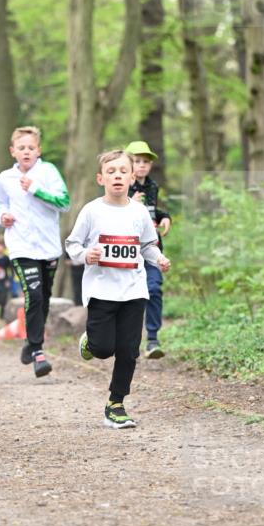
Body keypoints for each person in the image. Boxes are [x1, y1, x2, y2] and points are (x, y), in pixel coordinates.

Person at [66, 149, 170, 429]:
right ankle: (90, 341)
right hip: (101, 291)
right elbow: (72, 244)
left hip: (134, 291)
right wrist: (86, 254)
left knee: (129, 350)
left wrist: (158, 259)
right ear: (101, 178)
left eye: (123, 171)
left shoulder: (138, 212)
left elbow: (148, 245)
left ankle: (116, 404)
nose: (117, 176)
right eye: (111, 172)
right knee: (102, 349)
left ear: (132, 176)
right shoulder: (91, 211)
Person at [0, 126, 70, 377]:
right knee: (34, 295)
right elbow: (1, 202)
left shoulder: (48, 172)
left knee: (44, 297)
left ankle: (30, 343)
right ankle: (38, 351)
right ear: (12, 151)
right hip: (20, 245)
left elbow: (65, 202)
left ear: (39, 150)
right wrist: (3, 215)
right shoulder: (5, 177)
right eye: (21, 148)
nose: (26, 152)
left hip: (48, 245)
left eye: (31, 148)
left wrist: (36, 189)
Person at [125, 140, 172, 359]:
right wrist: (129, 203)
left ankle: (152, 339)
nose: (141, 165)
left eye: (145, 161)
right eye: (136, 161)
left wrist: (164, 217)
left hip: (152, 248)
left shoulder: (152, 186)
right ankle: (127, 340)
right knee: (130, 297)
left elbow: (152, 211)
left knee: (153, 289)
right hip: (127, 252)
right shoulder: (121, 186)